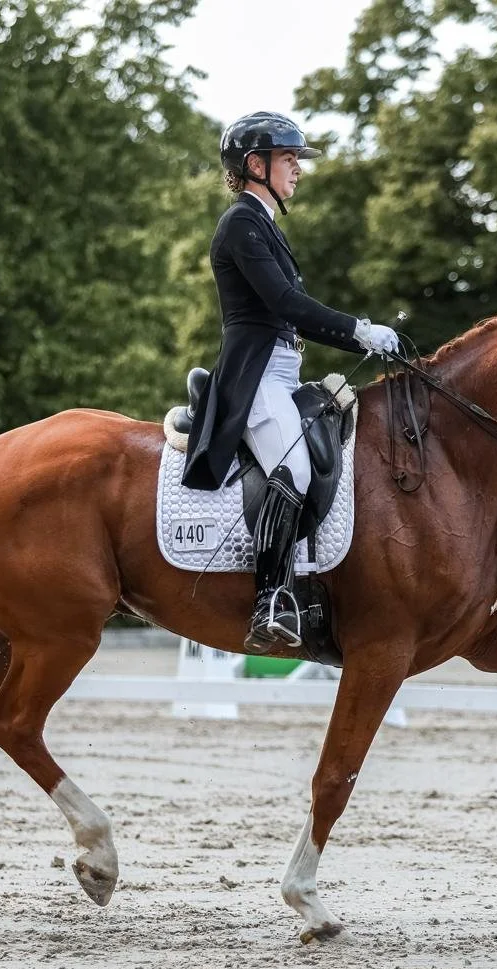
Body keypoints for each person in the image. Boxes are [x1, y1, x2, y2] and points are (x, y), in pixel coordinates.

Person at [181, 111, 399, 652]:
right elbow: (284, 304)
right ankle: (271, 598)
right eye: (288, 159)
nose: (298, 169)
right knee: (293, 464)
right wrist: (360, 332)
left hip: (282, 371)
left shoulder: (266, 227)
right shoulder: (240, 224)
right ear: (256, 165)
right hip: (253, 375)